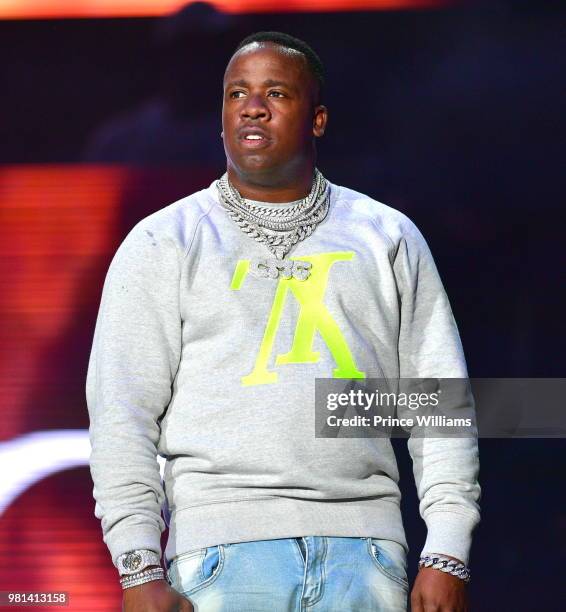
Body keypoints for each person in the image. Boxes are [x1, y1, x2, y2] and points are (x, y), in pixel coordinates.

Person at [86, 31, 480, 612]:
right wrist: (138, 566)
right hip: (218, 560)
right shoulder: (163, 241)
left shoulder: (386, 235)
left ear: (317, 119)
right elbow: (122, 414)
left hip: (366, 557)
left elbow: (438, 404)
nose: (252, 105)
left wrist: (446, 551)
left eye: (276, 92)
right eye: (236, 93)